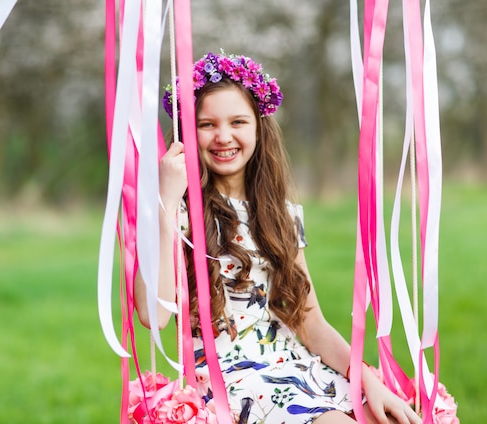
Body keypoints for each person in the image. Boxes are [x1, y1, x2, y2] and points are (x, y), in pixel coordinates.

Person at [135, 51, 421, 424]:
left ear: (258, 127)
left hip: (296, 368)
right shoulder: (177, 212)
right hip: (231, 382)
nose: (223, 136)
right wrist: (166, 199)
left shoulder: (281, 214)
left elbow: (309, 321)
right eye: (207, 124)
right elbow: (153, 315)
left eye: (237, 121)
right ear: (187, 132)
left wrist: (369, 381)